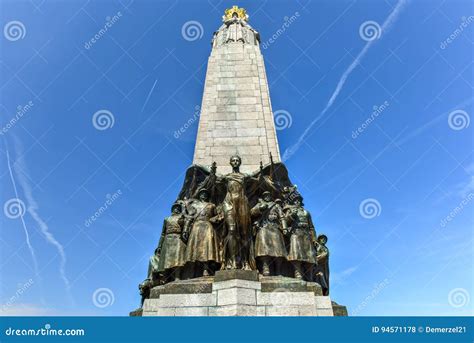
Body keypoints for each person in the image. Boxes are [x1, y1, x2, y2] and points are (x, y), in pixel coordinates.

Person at [184, 188, 221, 276]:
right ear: (199, 195)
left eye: (205, 193)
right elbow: (190, 217)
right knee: (194, 248)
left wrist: (214, 219)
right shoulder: (195, 205)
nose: (203, 195)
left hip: (207, 226)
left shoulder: (211, 205)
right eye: (202, 193)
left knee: (207, 249)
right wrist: (185, 229)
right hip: (196, 227)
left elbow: (218, 216)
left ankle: (205, 269)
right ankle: (192, 271)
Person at [251, 192, 287, 276]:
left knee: (278, 250)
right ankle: (265, 267)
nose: (267, 197)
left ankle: (278, 270)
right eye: (265, 196)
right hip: (264, 227)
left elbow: (282, 217)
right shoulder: (260, 204)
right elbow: (252, 212)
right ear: (263, 197)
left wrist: (284, 228)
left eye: (269, 195)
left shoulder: (276, 206)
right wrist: (260, 208)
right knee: (264, 248)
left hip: (275, 228)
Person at [284, 195, 318, 280]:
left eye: (298, 200)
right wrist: (291, 216)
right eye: (295, 201)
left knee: (310, 256)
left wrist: (314, 239)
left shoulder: (306, 212)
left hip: (306, 235)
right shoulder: (290, 211)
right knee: (296, 254)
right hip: (296, 234)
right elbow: (286, 221)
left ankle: (309, 275)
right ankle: (297, 273)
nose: (297, 202)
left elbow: (311, 227)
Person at [156, 203, 187, 282]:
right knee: (166, 260)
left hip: (178, 238)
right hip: (168, 239)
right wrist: (159, 246)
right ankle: (165, 278)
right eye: (175, 208)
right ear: (172, 209)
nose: (176, 209)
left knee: (178, 259)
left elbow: (185, 225)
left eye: (178, 208)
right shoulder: (167, 219)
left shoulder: (181, 218)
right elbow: (163, 233)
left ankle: (177, 277)